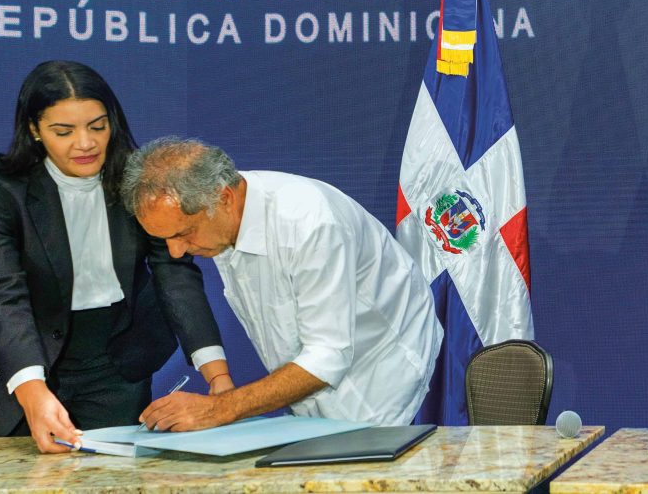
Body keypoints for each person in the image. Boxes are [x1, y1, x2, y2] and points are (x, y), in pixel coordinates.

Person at [0, 61, 231, 453]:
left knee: (114, 476)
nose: (85, 143)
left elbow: (173, 271)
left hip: (115, 363)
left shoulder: (138, 180)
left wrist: (217, 374)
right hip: (21, 362)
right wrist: (32, 392)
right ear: (34, 129)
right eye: (64, 131)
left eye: (97, 126)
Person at [120, 137, 443, 430]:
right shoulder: (216, 213)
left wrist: (222, 408)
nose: (176, 251)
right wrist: (220, 383)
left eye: (183, 233)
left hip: (385, 382)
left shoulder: (311, 225)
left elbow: (328, 355)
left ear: (224, 198)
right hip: (316, 404)